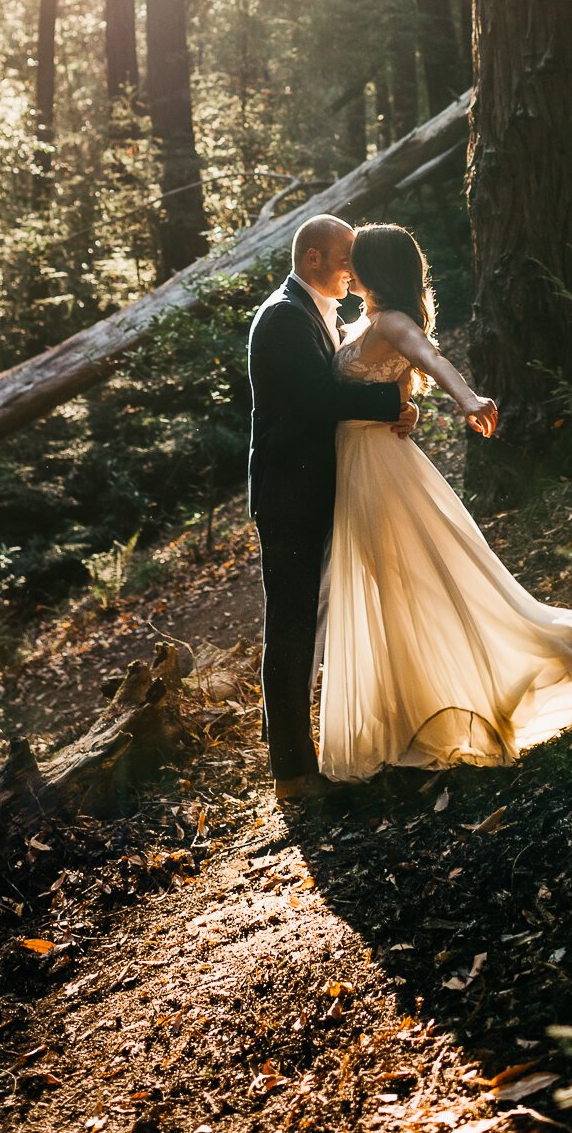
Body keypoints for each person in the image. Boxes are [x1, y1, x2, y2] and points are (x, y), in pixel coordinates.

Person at [318, 222, 572, 782]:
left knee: (419, 581)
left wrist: (467, 397)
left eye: (356, 258)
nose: (347, 265)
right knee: (388, 588)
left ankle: (513, 672)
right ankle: (407, 710)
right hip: (357, 467)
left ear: (375, 270)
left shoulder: (395, 323)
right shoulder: (363, 321)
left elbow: (428, 356)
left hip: (380, 471)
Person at [247, 214, 419, 802]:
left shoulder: (320, 312)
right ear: (314, 258)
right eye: (346, 258)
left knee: (306, 623)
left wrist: (397, 403)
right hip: (290, 497)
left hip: (322, 487)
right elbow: (319, 400)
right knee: (292, 626)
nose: (355, 270)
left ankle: (296, 745)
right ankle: (292, 773)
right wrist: (390, 400)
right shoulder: (281, 318)